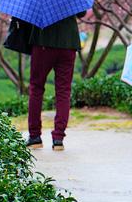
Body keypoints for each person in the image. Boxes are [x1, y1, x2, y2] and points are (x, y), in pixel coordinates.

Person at [23, 12, 86, 151]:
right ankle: (58, 139)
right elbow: (82, 13)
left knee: (36, 88)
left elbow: (28, 13)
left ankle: (34, 136)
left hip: (43, 40)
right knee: (63, 91)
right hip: (68, 43)